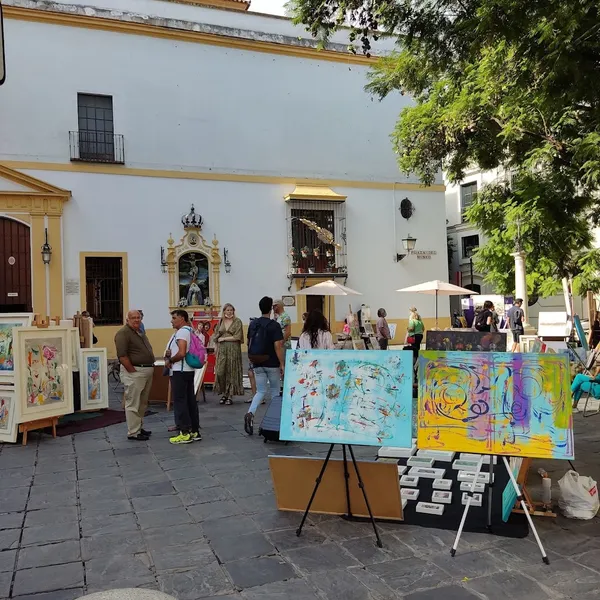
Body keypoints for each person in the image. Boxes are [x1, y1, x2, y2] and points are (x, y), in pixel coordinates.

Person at [244, 297, 284, 435]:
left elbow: (248, 341)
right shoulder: (274, 325)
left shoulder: (253, 323)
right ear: (271, 308)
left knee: (260, 391)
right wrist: (282, 363)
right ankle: (273, 423)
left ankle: (250, 413)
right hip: (272, 362)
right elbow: (278, 346)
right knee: (274, 392)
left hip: (257, 362)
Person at [115, 310, 155, 441]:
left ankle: (138, 427)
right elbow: (122, 355)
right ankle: (133, 431)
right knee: (133, 402)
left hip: (145, 371)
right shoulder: (123, 333)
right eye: (133, 318)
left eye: (138, 317)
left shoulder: (139, 332)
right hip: (136, 372)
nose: (136, 320)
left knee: (142, 403)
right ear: (127, 319)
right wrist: (132, 371)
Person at [165, 309, 201, 444]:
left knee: (180, 402)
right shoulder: (190, 331)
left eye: (174, 318)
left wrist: (170, 360)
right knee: (190, 401)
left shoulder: (182, 332)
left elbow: (181, 353)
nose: (171, 321)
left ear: (182, 318)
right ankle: (194, 431)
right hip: (187, 370)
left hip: (180, 371)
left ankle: (184, 432)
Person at [213, 303, 244, 405]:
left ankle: (230, 395)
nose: (229, 312)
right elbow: (216, 336)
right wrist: (216, 348)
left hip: (233, 349)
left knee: (231, 371)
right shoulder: (221, 321)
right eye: (227, 310)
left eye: (231, 310)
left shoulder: (237, 321)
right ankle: (224, 393)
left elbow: (238, 336)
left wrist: (225, 338)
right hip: (222, 349)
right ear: (224, 311)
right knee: (221, 371)